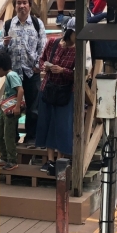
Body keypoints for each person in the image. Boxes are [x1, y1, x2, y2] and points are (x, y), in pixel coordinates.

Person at [0, 0, 46, 141]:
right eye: (19, 3)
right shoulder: (8, 25)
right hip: (13, 73)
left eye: (24, 2)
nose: (22, 6)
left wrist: (38, 65)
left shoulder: (37, 24)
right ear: (15, 5)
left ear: (29, 5)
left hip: (32, 72)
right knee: (12, 106)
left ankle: (31, 137)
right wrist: (4, 45)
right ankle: (13, 137)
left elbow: (43, 47)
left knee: (33, 108)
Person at [36, 15, 78, 176]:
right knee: (46, 123)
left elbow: (80, 73)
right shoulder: (52, 42)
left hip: (66, 91)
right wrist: (46, 67)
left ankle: (60, 160)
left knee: (62, 126)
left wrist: (63, 71)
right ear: (68, 32)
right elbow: (42, 60)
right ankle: (50, 160)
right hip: (48, 87)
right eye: (75, 33)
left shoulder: (79, 49)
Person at [0, 51, 24, 170]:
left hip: (12, 110)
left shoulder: (11, 75)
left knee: (8, 135)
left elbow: (20, 90)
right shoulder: (8, 76)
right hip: (5, 109)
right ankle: (4, 157)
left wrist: (17, 107)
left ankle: (12, 160)